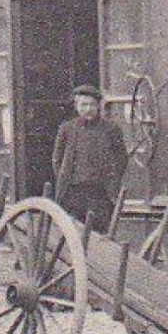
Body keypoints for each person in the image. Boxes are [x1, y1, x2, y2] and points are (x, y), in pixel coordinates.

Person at [52, 84, 128, 231]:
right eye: (83, 105)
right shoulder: (67, 129)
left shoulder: (111, 129)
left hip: (101, 194)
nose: (88, 109)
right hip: (73, 194)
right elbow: (57, 158)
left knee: (100, 237)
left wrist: (112, 179)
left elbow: (121, 158)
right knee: (73, 235)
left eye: (92, 105)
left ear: (99, 106)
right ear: (76, 106)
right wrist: (65, 177)